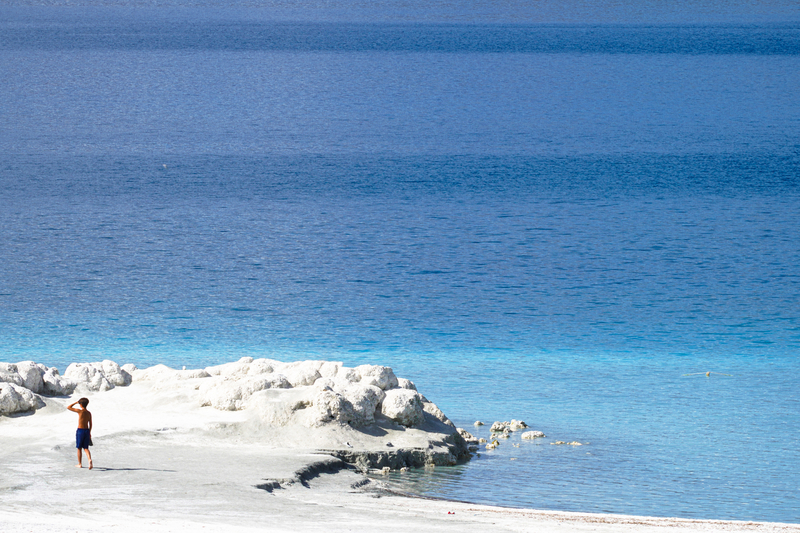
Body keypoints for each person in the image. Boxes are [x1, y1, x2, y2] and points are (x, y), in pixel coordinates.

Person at [67, 397, 93, 469]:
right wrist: (89, 432)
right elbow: (90, 424)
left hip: (80, 431)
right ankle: (89, 459)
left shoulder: (80, 411)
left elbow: (68, 407)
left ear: (81, 404)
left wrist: (76, 402)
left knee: (79, 448)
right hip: (87, 431)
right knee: (86, 448)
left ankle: (80, 463)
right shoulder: (89, 413)